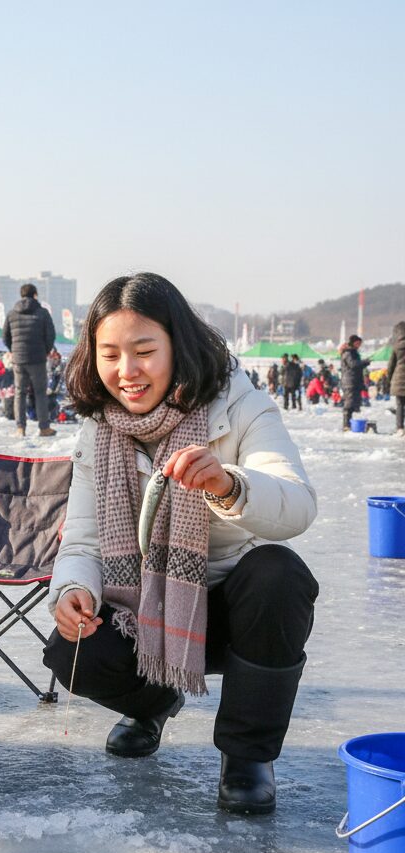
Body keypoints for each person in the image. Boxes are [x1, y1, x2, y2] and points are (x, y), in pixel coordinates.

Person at [42, 272, 318, 815]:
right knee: (73, 648)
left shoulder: (241, 406)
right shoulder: (98, 431)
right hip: (146, 614)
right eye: (110, 354)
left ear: (178, 346)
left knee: (279, 574)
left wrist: (229, 484)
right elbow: (83, 538)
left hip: (236, 614)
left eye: (144, 350)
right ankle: (153, 703)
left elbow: (297, 504)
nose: (127, 372)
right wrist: (73, 588)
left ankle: (246, 757)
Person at [2, 284, 57, 436]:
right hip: (38, 359)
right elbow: (50, 335)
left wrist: (14, 350)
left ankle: (20, 428)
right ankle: (44, 427)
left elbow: (5, 337)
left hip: (19, 360)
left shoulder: (12, 313)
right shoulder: (43, 313)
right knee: (40, 393)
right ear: (35, 295)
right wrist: (44, 351)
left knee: (20, 393)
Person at [339, 334, 370, 431]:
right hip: (349, 382)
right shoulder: (348, 353)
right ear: (353, 342)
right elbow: (352, 364)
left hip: (354, 381)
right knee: (349, 403)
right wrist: (364, 362)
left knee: (353, 404)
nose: (359, 345)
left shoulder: (353, 352)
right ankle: (346, 425)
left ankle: (349, 423)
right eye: (358, 343)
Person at [387, 321, 405, 436]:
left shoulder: (396, 347)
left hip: (399, 379)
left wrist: (390, 379)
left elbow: (391, 365)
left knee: (400, 405)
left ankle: (400, 428)